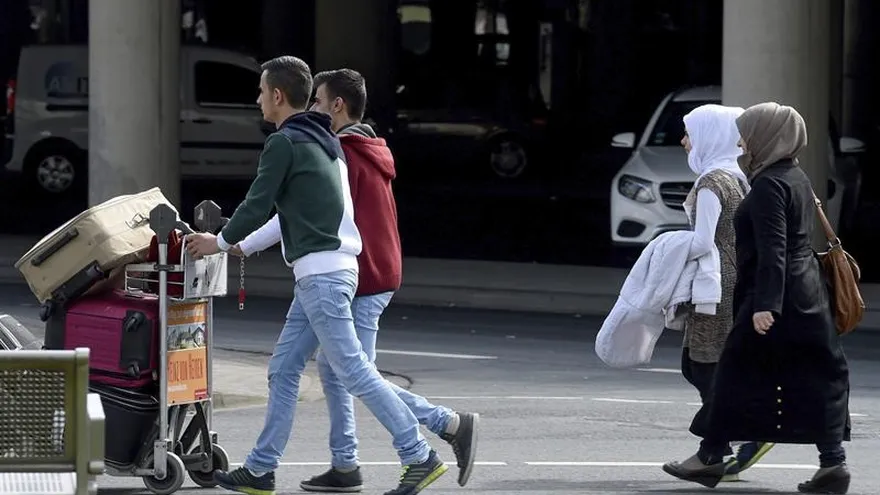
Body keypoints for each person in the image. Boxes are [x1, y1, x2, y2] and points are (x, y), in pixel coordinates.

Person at [185, 56, 448, 495]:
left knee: (355, 372)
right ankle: (261, 469)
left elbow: (257, 204)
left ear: (276, 95)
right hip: (333, 270)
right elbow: (294, 213)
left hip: (322, 276)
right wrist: (241, 243)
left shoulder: (285, 143)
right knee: (284, 368)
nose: (257, 100)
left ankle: (418, 454)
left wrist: (222, 243)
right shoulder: (325, 140)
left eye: (260, 92)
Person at [662, 102, 852, 495]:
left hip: (777, 295)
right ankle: (832, 463)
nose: (741, 141)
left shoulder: (768, 185)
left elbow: (774, 249)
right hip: (808, 294)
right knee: (819, 375)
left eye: (748, 133)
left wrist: (766, 305)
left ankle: (710, 457)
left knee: (732, 373)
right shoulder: (795, 176)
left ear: (766, 137)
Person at [677, 104, 774, 482]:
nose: (685, 142)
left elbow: (702, 241)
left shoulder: (711, 182)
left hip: (712, 287)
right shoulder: (739, 176)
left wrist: (664, 251)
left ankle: (741, 435)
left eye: (689, 133)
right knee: (713, 365)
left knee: (701, 366)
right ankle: (721, 450)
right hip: (735, 281)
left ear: (707, 135)